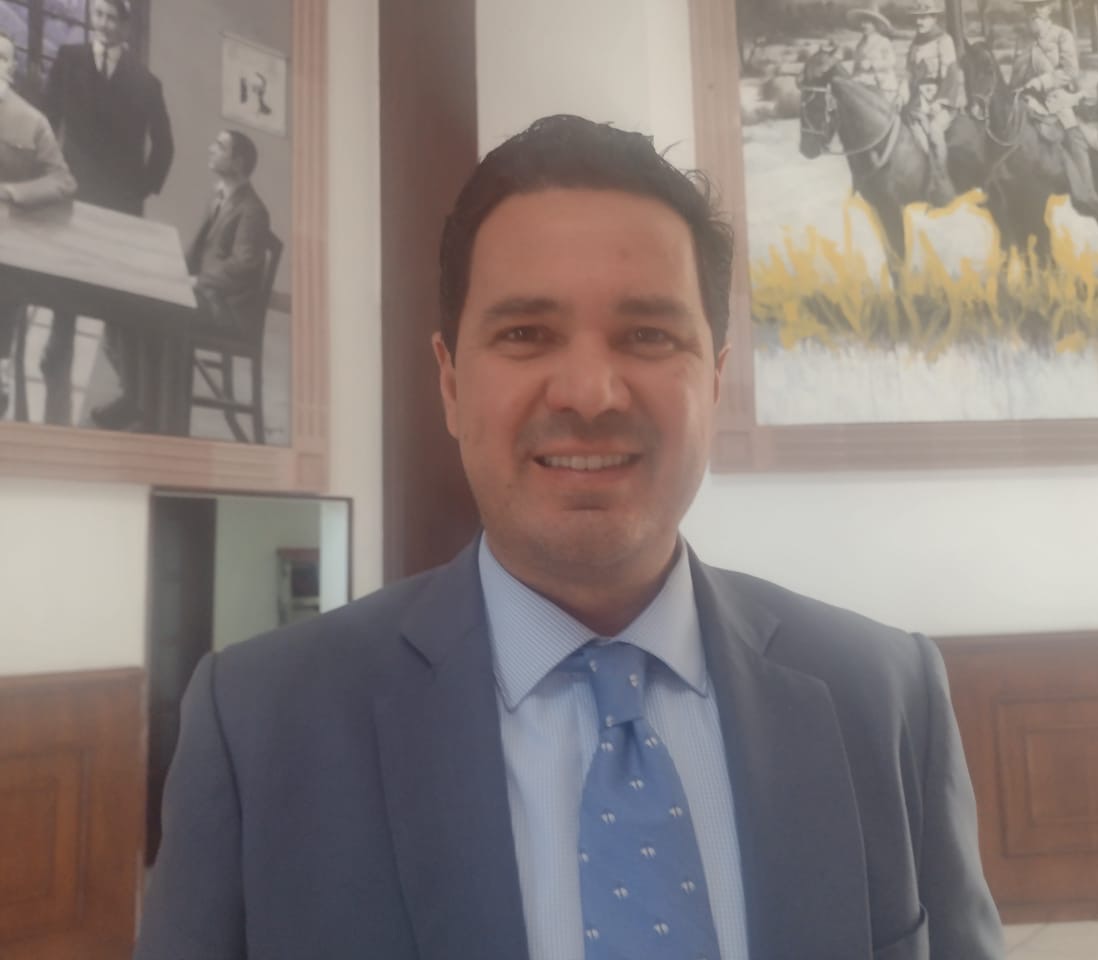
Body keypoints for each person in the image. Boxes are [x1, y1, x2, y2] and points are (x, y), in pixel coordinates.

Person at [135, 115, 1003, 960]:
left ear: (715, 381)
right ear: (450, 383)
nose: (590, 392)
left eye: (648, 335)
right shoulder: (260, 725)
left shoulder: (884, 696)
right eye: (526, 334)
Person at [40, 0, 174, 429]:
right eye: (98, 14)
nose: (103, 24)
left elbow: (165, 146)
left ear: (127, 25)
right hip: (73, 188)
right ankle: (59, 343)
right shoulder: (69, 58)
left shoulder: (146, 82)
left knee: (117, 291)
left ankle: (128, 386)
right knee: (66, 272)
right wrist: (49, 170)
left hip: (119, 202)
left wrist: (140, 189)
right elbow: (47, 118)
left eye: (112, 18)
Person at [0, 30, 77, 419]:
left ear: (11, 68)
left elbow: (63, 181)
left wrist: (14, 192)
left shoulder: (32, 122)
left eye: (1, 58)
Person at [1009, 0, 1098, 217]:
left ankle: (1087, 192)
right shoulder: (1022, 39)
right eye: (1029, 8)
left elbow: (1070, 71)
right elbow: (1015, 73)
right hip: (1026, 98)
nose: (1033, 13)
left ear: (1048, 10)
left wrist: (1042, 82)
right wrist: (1015, 90)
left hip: (1057, 96)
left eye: (1038, 6)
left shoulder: (1062, 35)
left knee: (1073, 136)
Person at [185, 129, 271, 329]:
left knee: (159, 309)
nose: (211, 149)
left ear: (238, 163)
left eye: (220, 147)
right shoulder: (218, 196)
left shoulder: (253, 211)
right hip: (206, 293)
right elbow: (199, 248)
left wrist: (197, 281)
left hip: (225, 309)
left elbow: (242, 267)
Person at [902, 0, 962, 205]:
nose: (919, 22)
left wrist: (940, 101)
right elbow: (909, 73)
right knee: (912, 136)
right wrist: (902, 91)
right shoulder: (915, 44)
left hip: (941, 98)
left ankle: (942, 180)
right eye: (916, 18)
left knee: (935, 132)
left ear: (934, 18)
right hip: (918, 100)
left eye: (923, 17)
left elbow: (951, 74)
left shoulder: (944, 41)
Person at [847, 9, 900, 105]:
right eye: (862, 22)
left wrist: (872, 65)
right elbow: (857, 65)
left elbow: (891, 61)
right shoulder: (860, 44)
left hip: (882, 83)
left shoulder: (883, 41)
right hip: (862, 82)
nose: (863, 26)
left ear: (875, 25)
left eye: (867, 23)